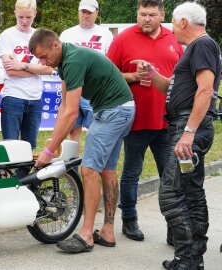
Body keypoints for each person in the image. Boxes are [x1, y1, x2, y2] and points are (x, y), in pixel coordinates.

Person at [131, 2, 221, 269]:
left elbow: (205, 91)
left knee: (170, 193)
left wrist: (188, 133)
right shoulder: (196, 48)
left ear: (183, 22)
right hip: (185, 124)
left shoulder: (202, 44)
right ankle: (193, 257)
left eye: (171, 21)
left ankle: (187, 258)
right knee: (191, 192)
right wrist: (154, 74)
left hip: (189, 126)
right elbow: (174, 88)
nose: (170, 26)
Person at [29, 28, 135, 253]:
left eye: (44, 56)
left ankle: (86, 235)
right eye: (39, 59)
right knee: (107, 170)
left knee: (88, 170)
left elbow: (72, 113)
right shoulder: (65, 62)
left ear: (55, 45)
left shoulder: (74, 60)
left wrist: (49, 152)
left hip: (112, 112)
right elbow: (63, 107)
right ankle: (107, 231)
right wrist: (51, 145)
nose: (43, 62)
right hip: (123, 109)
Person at [107, 0, 183, 242]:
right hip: (135, 119)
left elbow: (183, 76)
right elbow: (106, 74)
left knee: (170, 176)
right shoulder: (123, 39)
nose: (146, 19)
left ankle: (174, 226)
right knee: (131, 172)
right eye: (142, 14)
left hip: (166, 121)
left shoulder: (174, 39)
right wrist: (132, 76)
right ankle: (129, 220)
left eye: (151, 14)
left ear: (162, 15)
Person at [0, 0, 53, 149]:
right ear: (15, 13)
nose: (24, 21)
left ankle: (24, 173)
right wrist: (36, 70)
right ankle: (10, 173)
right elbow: (11, 71)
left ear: (35, 14)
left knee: (29, 147)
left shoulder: (40, 36)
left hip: (35, 98)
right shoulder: (7, 35)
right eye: (21, 17)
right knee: (10, 146)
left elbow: (49, 69)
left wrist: (22, 65)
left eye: (28, 17)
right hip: (13, 97)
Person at [59, 0, 114, 151]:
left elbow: (110, 62)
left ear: (96, 13)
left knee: (95, 130)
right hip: (73, 87)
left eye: (89, 12)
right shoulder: (67, 34)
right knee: (73, 129)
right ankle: (72, 168)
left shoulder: (105, 34)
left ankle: (91, 164)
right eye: (83, 12)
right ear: (78, 12)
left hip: (95, 91)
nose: (86, 15)